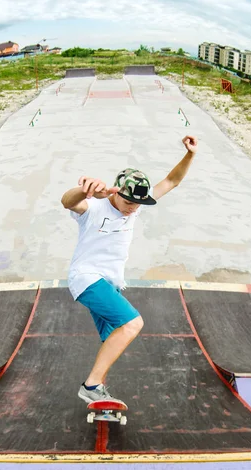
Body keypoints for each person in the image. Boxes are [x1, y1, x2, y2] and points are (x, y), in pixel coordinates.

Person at [61, 135, 198, 404]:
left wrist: (190, 155)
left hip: (109, 282)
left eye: (137, 204)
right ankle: (90, 386)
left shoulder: (136, 205)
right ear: (116, 192)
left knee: (114, 337)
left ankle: (98, 388)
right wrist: (85, 191)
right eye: (128, 203)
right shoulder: (93, 207)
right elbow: (67, 201)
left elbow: (172, 181)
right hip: (86, 278)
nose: (132, 209)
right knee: (133, 323)